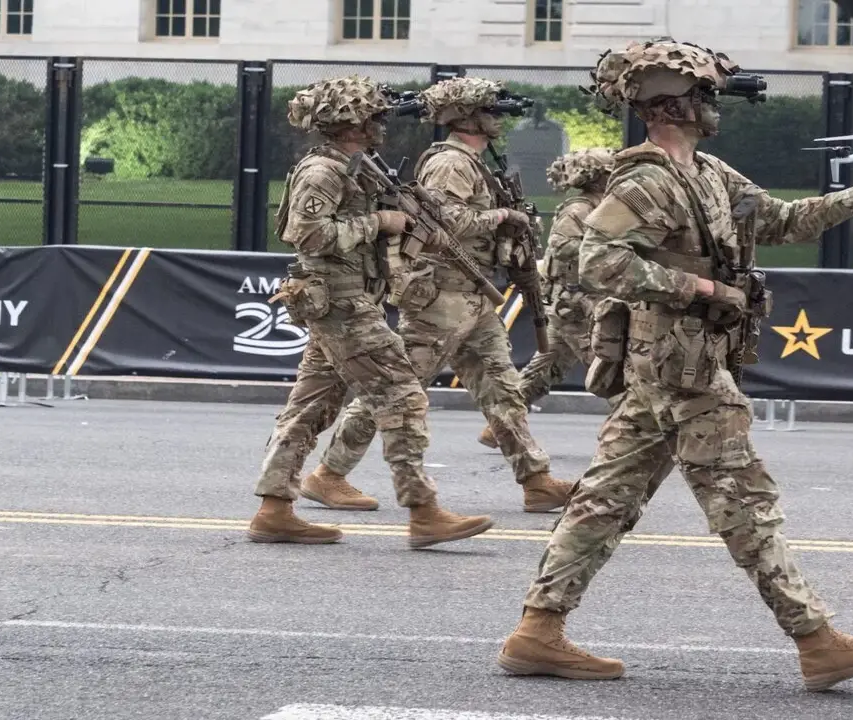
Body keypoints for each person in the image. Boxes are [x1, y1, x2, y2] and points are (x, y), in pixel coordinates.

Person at [496, 39, 853, 690]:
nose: (716, 105)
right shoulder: (647, 179)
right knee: (742, 497)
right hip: (682, 368)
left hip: (671, 367)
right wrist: (701, 288)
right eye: (705, 94)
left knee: (605, 499)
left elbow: (785, 221)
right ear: (670, 105)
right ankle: (817, 641)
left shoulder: (709, 173)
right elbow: (596, 261)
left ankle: (537, 631)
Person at [247, 75, 494, 549]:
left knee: (311, 407)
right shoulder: (323, 171)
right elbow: (308, 235)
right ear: (351, 123)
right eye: (374, 117)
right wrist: (379, 221)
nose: (382, 125)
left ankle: (274, 510)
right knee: (403, 396)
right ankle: (424, 512)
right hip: (340, 302)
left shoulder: (358, 168)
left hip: (351, 298)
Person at [310, 76, 576, 514]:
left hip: (473, 295)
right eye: (489, 112)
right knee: (397, 388)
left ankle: (536, 479)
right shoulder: (450, 162)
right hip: (440, 298)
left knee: (503, 389)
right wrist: (502, 216)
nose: (498, 120)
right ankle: (328, 474)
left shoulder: (476, 162)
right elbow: (445, 221)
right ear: (466, 116)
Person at [476, 148, 619, 449]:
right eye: (610, 173)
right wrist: (608, 252)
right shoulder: (579, 210)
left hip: (574, 306)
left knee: (543, 372)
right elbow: (563, 248)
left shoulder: (600, 206)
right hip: (577, 307)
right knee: (611, 369)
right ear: (597, 177)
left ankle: (500, 427)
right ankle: (625, 434)